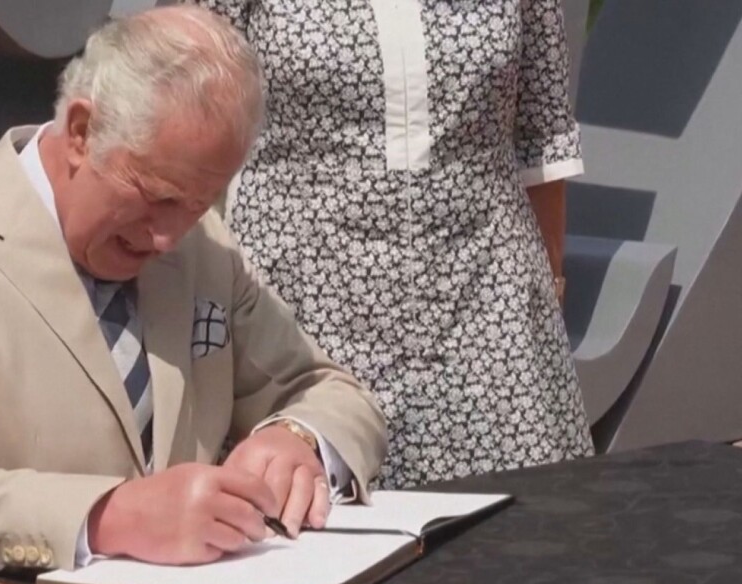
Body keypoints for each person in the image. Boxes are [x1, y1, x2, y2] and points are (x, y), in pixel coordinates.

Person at [0, 5, 387, 584]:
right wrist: (108, 517)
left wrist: (298, 438)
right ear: (80, 132)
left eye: (198, 204)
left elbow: (330, 392)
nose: (168, 236)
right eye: (157, 196)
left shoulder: (202, 249)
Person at [195, 0, 595, 488]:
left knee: (517, 516)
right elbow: (194, 108)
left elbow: (543, 137)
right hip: (302, 301)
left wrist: (550, 286)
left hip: (487, 302)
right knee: (304, 512)